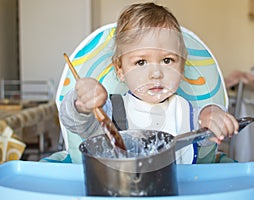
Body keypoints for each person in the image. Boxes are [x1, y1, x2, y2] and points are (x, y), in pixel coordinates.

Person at [60, 2, 239, 164]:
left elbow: (206, 132)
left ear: (182, 67)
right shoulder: (110, 111)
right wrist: (82, 105)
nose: (156, 74)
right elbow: (77, 123)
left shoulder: (185, 112)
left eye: (167, 60)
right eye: (141, 62)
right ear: (120, 69)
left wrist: (211, 115)